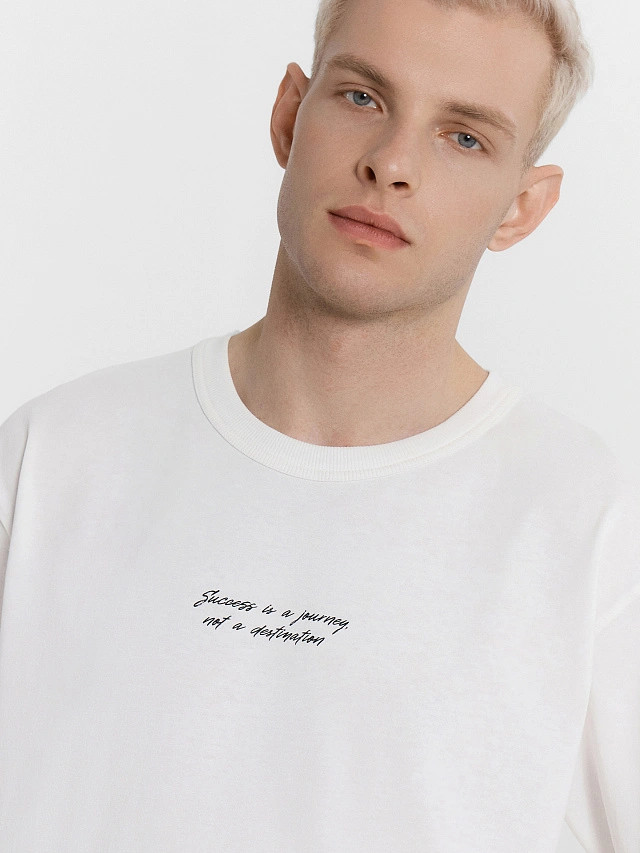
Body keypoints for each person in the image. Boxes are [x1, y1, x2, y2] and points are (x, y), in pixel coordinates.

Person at [0, 0, 638, 849]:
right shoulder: (52, 457)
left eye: (464, 137)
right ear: (289, 114)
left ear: (522, 206)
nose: (392, 164)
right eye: (363, 97)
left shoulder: (591, 529)